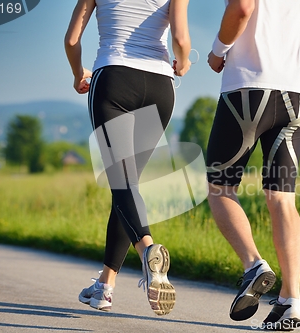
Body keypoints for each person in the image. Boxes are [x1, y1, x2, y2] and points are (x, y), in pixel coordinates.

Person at [206, 0, 300, 329]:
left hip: (246, 91)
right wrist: (283, 59)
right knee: (282, 200)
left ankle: (254, 266)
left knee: (220, 190)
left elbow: (243, 7)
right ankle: (291, 301)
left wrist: (219, 51)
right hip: (293, 97)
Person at [64, 0, 191, 315]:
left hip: (114, 80)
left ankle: (148, 251)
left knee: (123, 183)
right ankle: (105, 286)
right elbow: (180, 37)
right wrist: (184, 60)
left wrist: (78, 72)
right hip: (160, 87)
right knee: (126, 186)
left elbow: (71, 39)